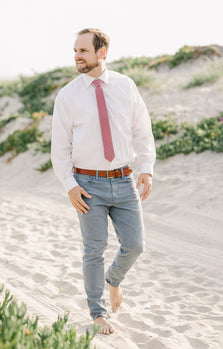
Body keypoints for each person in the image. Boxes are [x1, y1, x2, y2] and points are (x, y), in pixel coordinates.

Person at [51, 28, 156, 335]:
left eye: (83, 50)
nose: (76, 56)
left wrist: (146, 168)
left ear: (102, 53)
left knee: (135, 245)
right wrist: (70, 186)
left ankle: (114, 281)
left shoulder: (125, 86)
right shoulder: (68, 95)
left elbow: (142, 131)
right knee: (93, 250)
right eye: (75, 51)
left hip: (124, 181)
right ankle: (97, 312)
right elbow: (59, 148)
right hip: (87, 185)